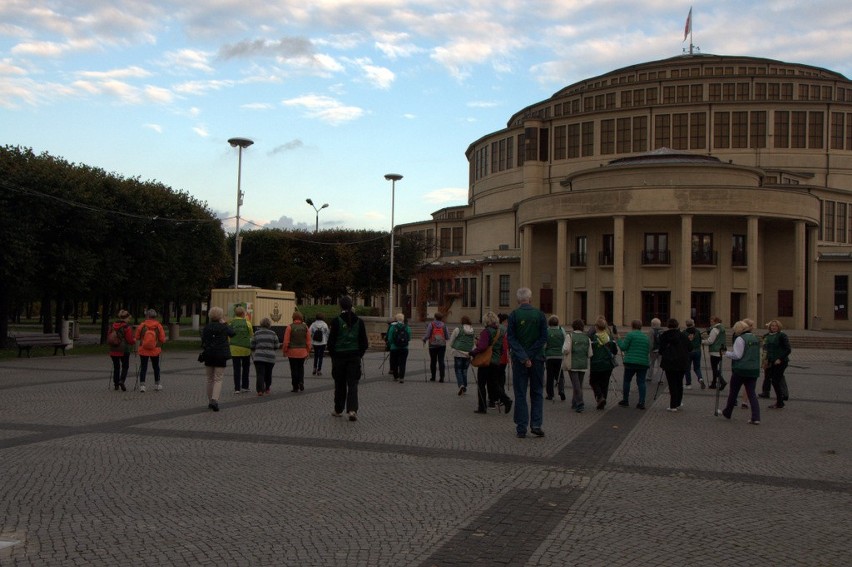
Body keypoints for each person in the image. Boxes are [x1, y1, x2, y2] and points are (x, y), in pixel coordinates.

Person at [506, 287, 548, 438]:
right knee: (537, 392)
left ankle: (521, 427)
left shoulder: (514, 315)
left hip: (519, 360)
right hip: (537, 359)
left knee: (520, 393)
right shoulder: (540, 314)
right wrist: (530, 355)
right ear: (530, 299)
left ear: (518, 300)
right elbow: (544, 337)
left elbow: (511, 338)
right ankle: (536, 424)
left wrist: (524, 356)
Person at [327, 296, 368, 421]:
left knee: (339, 384)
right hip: (354, 357)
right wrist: (358, 354)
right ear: (352, 305)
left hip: (339, 357)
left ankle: (338, 409)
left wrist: (334, 354)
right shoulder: (359, 321)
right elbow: (364, 343)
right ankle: (352, 410)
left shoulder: (336, 321)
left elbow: (331, 342)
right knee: (353, 384)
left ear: (340, 306)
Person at [469, 312, 512, 414]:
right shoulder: (499, 331)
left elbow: (482, 347)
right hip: (496, 361)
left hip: (486, 361)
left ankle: (482, 407)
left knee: (481, 384)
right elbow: (501, 348)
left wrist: (472, 352)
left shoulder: (486, 332)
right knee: (494, 384)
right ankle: (506, 400)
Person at [722, 319, 762, 424]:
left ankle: (728, 411)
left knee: (733, 392)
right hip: (753, 369)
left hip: (741, 369)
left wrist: (726, 353)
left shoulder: (740, 339)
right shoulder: (754, 338)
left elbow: (737, 355)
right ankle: (756, 417)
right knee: (752, 393)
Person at [201, 307, 235, 411]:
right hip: (220, 355)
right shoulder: (223, 327)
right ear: (220, 316)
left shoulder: (206, 327)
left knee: (209, 378)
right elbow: (233, 333)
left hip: (209, 354)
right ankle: (215, 400)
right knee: (218, 378)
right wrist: (224, 323)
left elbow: (203, 340)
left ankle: (210, 401)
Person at [659, 318, 691, 411]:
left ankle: (673, 405)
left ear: (668, 326)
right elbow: (690, 347)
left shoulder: (664, 336)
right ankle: (678, 402)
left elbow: (661, 350)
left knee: (672, 383)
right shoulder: (683, 336)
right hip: (681, 362)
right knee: (679, 383)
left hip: (669, 362)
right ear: (677, 325)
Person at [617, 319, 650, 410]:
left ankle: (625, 400)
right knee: (641, 382)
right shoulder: (646, 337)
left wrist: (619, 340)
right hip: (643, 362)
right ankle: (641, 402)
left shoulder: (630, 335)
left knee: (627, 381)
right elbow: (648, 350)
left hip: (630, 362)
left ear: (632, 326)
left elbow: (623, 347)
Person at [562, 318, 592, 413]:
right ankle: (574, 402)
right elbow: (590, 353)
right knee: (579, 383)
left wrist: (564, 351)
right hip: (582, 363)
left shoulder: (570, 336)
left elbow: (565, 349)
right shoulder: (586, 337)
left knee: (576, 385)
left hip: (573, 363)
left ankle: (580, 403)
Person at [588, 318, 617, 410]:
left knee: (593, 381)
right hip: (608, 364)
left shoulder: (593, 338)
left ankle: (600, 397)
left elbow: (589, 352)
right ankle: (603, 399)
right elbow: (615, 351)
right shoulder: (610, 338)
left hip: (596, 364)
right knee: (605, 383)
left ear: (596, 327)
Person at [135, 309, 166, 392]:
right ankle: (157, 384)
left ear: (147, 316)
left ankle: (142, 385)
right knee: (156, 367)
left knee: (143, 367)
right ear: (155, 316)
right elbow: (162, 339)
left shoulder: (142, 325)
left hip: (143, 349)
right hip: (155, 349)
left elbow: (137, 337)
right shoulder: (158, 326)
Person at [762, 319, 791, 408]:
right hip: (770, 361)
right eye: (772, 326)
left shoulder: (782, 335)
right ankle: (779, 401)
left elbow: (788, 349)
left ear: (779, 327)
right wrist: (764, 361)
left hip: (780, 362)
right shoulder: (767, 336)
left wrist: (780, 359)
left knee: (776, 381)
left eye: (775, 326)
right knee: (772, 380)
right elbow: (765, 349)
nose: (774, 327)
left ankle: (780, 401)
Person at [283, 311, 311, 392]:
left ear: (293, 317)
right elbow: (308, 341)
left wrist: (285, 351)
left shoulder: (289, 327)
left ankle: (295, 386)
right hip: (302, 352)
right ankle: (301, 382)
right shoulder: (305, 327)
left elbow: (286, 341)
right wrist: (308, 351)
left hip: (292, 352)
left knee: (293, 369)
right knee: (301, 368)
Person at [251, 317, 279, 396]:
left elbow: (252, 345)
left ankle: (260, 390)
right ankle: (267, 388)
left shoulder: (256, 333)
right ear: (269, 324)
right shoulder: (273, 333)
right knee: (268, 373)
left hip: (259, 357)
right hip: (270, 357)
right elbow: (277, 345)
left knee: (260, 374)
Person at [107, 309, 135, 391]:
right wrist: (134, 341)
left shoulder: (112, 325)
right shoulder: (126, 327)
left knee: (116, 367)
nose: (129, 320)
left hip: (113, 349)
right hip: (124, 349)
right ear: (126, 318)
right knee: (125, 366)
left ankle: (116, 384)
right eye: (129, 318)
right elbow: (129, 340)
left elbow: (108, 336)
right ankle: (122, 380)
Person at [228, 305, 254, 394]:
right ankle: (245, 387)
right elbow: (251, 334)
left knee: (236, 369)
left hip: (234, 348)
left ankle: (237, 388)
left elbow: (228, 335)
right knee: (246, 368)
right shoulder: (247, 323)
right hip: (245, 348)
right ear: (243, 314)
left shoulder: (231, 323)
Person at [449, 315, 475, 395]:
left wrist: (452, 346)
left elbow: (452, 339)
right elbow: (473, 341)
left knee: (458, 370)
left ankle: (461, 385)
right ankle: (464, 386)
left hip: (458, 351)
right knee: (464, 370)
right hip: (468, 352)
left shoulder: (458, 329)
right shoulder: (472, 330)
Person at [544, 316, 567, 402]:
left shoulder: (547, 331)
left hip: (549, 356)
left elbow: (545, 345)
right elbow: (565, 342)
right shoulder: (562, 330)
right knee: (560, 375)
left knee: (550, 375)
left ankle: (550, 394)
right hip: (559, 356)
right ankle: (561, 390)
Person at [422, 312, 449, 382]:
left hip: (432, 345)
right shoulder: (444, 325)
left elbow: (427, 335)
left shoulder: (431, 324)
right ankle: (442, 377)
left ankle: (433, 377)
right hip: (442, 345)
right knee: (441, 361)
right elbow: (447, 336)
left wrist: (424, 339)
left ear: (435, 317)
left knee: (433, 361)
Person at [702, 316, 727, 390]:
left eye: (711, 321)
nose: (710, 322)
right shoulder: (722, 328)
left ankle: (722, 381)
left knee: (714, 368)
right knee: (716, 367)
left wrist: (702, 341)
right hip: (721, 350)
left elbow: (710, 341)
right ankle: (713, 383)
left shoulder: (715, 329)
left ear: (715, 321)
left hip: (715, 350)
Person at [386, 313, 411, 384]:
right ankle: (402, 377)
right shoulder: (407, 327)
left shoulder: (393, 327)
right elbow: (409, 337)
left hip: (394, 348)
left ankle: (395, 376)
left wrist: (391, 344)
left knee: (394, 363)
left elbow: (390, 338)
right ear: (403, 319)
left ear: (396, 319)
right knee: (402, 363)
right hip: (404, 348)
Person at [682, 319, 704, 389]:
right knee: (697, 367)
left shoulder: (684, 332)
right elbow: (700, 341)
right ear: (693, 324)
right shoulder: (697, 332)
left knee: (687, 368)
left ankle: (688, 384)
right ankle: (700, 378)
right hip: (697, 351)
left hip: (688, 352)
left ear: (686, 325)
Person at [646, 318, 662, 382]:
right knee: (660, 365)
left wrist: (649, 350)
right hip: (661, 350)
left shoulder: (651, 331)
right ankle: (660, 379)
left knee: (651, 364)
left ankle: (649, 377)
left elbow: (651, 342)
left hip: (653, 350)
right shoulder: (662, 331)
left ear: (652, 324)